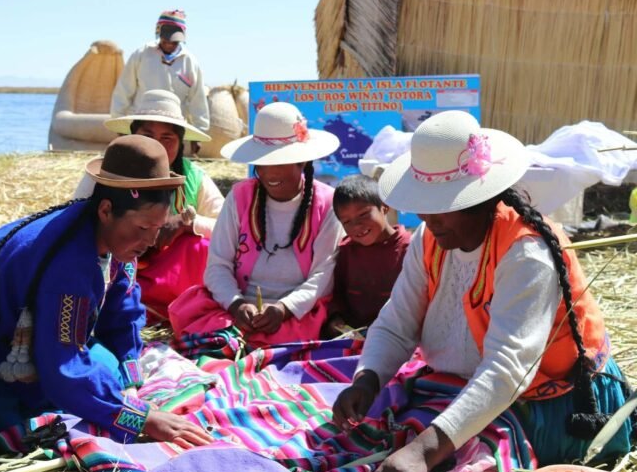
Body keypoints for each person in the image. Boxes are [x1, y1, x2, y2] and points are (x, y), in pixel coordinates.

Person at [332, 111, 632, 472]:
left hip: (549, 402)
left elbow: (506, 372)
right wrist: (368, 378)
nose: (425, 215)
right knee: (376, 432)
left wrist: (423, 451)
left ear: (481, 199)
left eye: (440, 205)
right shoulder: (431, 238)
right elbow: (396, 320)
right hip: (468, 383)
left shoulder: (527, 254)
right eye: (423, 203)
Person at [0, 135, 213, 452]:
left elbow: (122, 311)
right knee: (3, 414)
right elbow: (61, 369)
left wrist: (131, 380)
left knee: (109, 370)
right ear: (106, 210)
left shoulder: (117, 244)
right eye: (142, 228)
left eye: (157, 228)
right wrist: (139, 417)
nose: (152, 241)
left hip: (6, 320)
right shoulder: (71, 266)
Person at [169, 102, 344, 355]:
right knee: (202, 325)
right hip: (237, 310)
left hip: (296, 313)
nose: (270, 172)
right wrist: (236, 304)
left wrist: (283, 309)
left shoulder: (326, 203)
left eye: (281, 162)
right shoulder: (240, 196)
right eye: (263, 163)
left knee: (288, 343)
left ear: (303, 162)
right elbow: (218, 265)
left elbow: (323, 277)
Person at [76, 89, 224, 324]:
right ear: (134, 134)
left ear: (180, 142)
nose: (157, 145)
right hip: (113, 269)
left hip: (168, 278)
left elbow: (230, 228)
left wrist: (187, 223)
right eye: (148, 135)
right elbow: (76, 217)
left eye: (167, 138)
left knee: (198, 245)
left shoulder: (194, 177)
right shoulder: (107, 172)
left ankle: (175, 309)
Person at [110, 9, 210, 154]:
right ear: (158, 34)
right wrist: (119, 125)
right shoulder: (142, 55)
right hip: (143, 125)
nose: (169, 44)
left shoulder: (189, 62)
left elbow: (198, 99)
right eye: (165, 39)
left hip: (173, 127)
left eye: (174, 41)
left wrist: (199, 133)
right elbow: (123, 91)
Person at [323, 174, 410, 337]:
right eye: (347, 222)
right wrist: (335, 318)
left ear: (384, 207)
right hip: (353, 338)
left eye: (363, 215)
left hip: (398, 338)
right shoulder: (346, 251)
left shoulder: (410, 249)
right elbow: (337, 293)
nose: (356, 226)